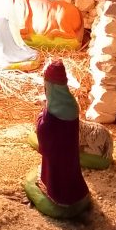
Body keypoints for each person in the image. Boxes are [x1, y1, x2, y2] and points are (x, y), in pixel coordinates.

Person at [33, 60, 90, 213]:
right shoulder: (71, 103)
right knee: (70, 170)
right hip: (69, 150)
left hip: (56, 152)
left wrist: (40, 119)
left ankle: (60, 198)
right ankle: (76, 194)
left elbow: (45, 130)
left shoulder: (54, 109)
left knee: (57, 174)